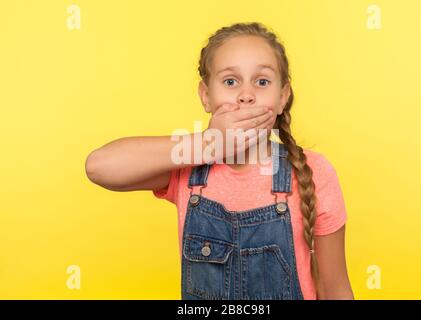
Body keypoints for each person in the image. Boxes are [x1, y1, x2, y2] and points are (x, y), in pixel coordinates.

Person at [85, 22, 354, 300]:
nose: (246, 95)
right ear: (206, 96)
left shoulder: (313, 171)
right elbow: (99, 167)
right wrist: (209, 144)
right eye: (230, 82)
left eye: (262, 81)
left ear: (282, 96)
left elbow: (335, 289)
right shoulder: (187, 168)